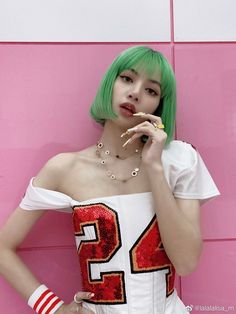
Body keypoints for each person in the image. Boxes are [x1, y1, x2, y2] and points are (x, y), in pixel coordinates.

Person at [0, 46, 220, 314]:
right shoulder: (65, 169)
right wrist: (54, 309)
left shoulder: (179, 159)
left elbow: (186, 263)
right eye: (127, 78)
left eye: (151, 90)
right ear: (110, 83)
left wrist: (154, 168)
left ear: (159, 106)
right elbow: (3, 248)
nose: (135, 93)